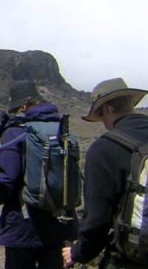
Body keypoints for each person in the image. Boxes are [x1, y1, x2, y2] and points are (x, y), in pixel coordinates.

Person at [0, 80, 77, 269]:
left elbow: (2, 183)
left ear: (23, 106)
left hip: (23, 228)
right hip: (60, 226)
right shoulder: (61, 129)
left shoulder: (17, 131)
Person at [62, 78, 148, 269]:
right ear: (130, 104)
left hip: (133, 259)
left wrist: (78, 252)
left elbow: (97, 220)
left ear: (106, 109)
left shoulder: (104, 149)